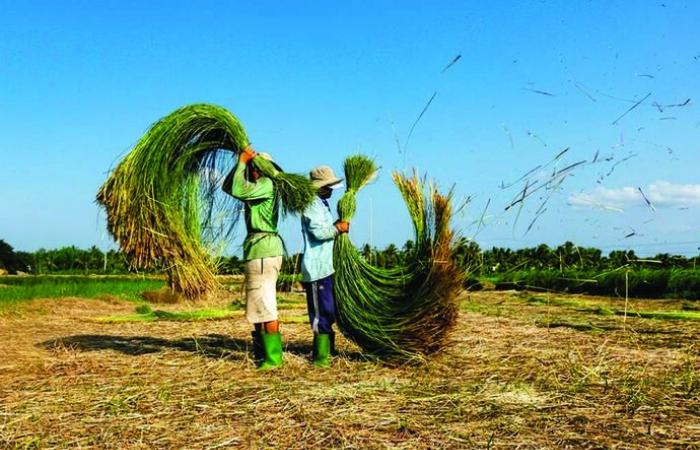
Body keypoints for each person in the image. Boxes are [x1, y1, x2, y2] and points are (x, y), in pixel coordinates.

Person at [223, 146, 284, 370]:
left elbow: (237, 189)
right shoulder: (262, 186)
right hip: (259, 250)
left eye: (254, 168)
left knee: (266, 304)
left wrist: (242, 161)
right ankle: (263, 355)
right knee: (259, 305)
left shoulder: (266, 185)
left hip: (263, 251)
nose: (253, 172)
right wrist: (240, 163)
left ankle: (273, 358)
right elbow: (228, 186)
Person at [300, 165, 350, 368]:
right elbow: (319, 233)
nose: (330, 189)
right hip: (316, 268)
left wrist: (338, 225)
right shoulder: (310, 205)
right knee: (320, 312)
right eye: (327, 186)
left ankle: (329, 348)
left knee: (329, 310)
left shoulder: (322, 204)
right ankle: (320, 357)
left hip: (327, 266)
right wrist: (338, 228)